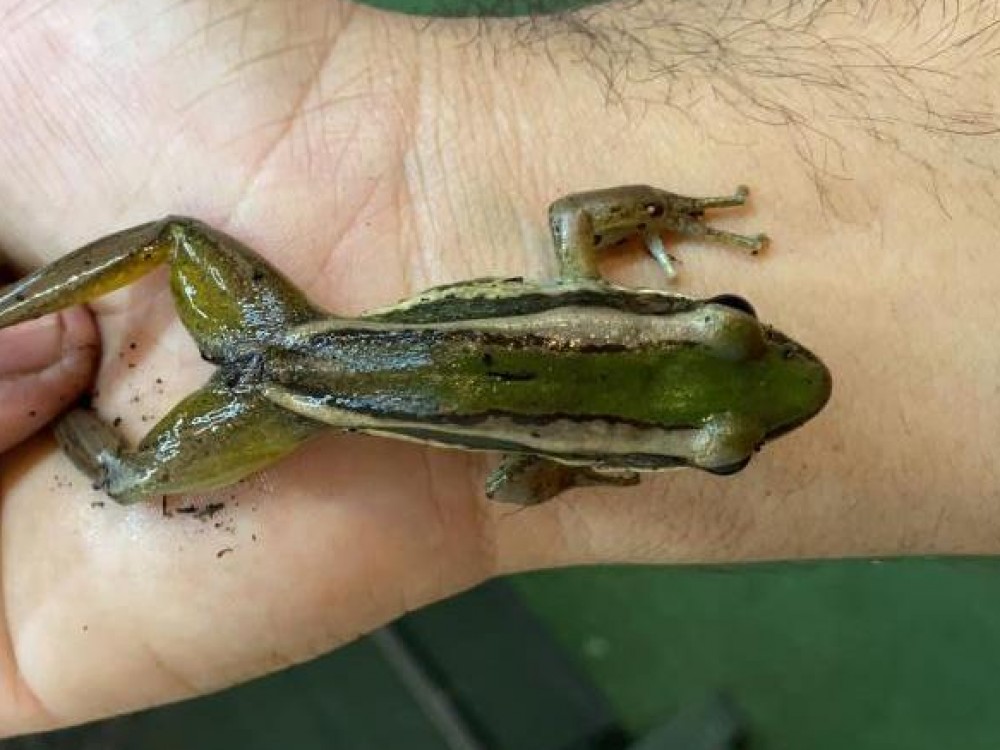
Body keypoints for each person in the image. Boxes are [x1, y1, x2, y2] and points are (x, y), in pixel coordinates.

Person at [1, 0, 997, 737]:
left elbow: (573, 220)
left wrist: (668, 211)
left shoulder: (588, 283)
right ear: (665, 324)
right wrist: (578, 471)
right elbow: (512, 482)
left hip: (293, 360)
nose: (757, 334)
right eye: (729, 321)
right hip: (293, 384)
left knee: (174, 253)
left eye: (720, 447)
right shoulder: (549, 440)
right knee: (132, 474)